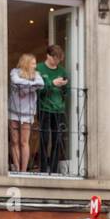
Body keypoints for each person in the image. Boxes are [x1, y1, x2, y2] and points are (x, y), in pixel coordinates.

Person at [36, 43, 69, 175]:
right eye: (55, 58)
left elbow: (67, 93)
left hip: (59, 109)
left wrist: (63, 87)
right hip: (44, 108)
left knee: (57, 140)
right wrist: (51, 83)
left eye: (59, 59)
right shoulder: (39, 68)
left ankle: (54, 170)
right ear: (48, 56)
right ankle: (44, 169)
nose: (57, 62)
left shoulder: (62, 71)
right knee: (44, 139)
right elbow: (37, 90)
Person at [8, 53, 44, 173]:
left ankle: (23, 171)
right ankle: (17, 168)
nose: (35, 66)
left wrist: (25, 84)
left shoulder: (36, 75)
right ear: (26, 63)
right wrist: (31, 85)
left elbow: (41, 84)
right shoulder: (14, 72)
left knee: (24, 142)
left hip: (27, 114)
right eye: (33, 63)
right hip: (13, 112)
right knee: (14, 142)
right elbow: (15, 81)